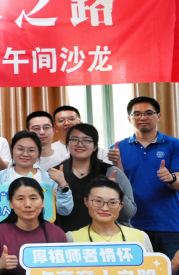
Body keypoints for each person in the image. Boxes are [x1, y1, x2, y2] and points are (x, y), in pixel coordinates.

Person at [110, 96, 179, 266]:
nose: (142, 117)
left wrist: (171, 178)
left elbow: (177, 183)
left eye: (148, 113)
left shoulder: (174, 144)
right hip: (130, 223)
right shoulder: (118, 148)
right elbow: (117, 186)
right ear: (129, 119)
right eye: (137, 114)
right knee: (136, 274)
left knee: (171, 274)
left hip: (168, 223)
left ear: (158, 116)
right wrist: (116, 164)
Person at [0, 177, 68, 275]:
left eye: (33, 198)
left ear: (43, 202)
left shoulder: (57, 233)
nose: (28, 204)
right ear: (11, 203)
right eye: (20, 199)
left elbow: (66, 271)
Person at [53, 123, 136, 232]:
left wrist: (116, 190)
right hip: (66, 237)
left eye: (86, 140)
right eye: (74, 139)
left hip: (106, 237)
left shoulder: (110, 172)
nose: (79, 144)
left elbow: (129, 213)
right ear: (68, 143)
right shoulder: (55, 174)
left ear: (95, 147)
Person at [0, 131, 73, 217]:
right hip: (8, 225)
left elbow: (65, 210)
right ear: (12, 150)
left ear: (38, 153)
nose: (25, 154)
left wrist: (63, 185)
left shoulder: (49, 179)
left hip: (42, 225)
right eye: (20, 149)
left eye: (31, 150)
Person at [66, 178, 153, 251]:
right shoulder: (72, 238)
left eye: (113, 202)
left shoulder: (140, 237)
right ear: (86, 201)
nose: (105, 208)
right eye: (98, 201)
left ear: (121, 206)